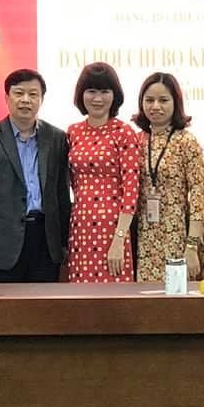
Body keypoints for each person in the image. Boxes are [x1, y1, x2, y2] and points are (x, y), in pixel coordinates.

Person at [0, 69, 71, 283]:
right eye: (19, 93)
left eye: (33, 94)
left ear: (42, 99)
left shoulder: (57, 138)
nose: (25, 100)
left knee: (43, 302)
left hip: (45, 241)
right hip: (2, 245)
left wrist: (63, 243)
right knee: (4, 303)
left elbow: (61, 194)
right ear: (7, 97)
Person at [66, 62, 139, 283]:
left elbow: (131, 191)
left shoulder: (124, 132)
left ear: (114, 95)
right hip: (80, 227)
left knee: (113, 295)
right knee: (81, 294)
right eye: (91, 91)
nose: (97, 98)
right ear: (81, 95)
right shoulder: (73, 132)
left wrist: (119, 239)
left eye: (105, 91)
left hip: (113, 228)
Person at [132, 73, 204, 281]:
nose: (155, 106)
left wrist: (192, 246)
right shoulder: (136, 141)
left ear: (176, 103)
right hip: (143, 236)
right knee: (144, 297)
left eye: (163, 100)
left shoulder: (186, 141)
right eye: (149, 100)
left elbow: (199, 194)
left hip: (176, 234)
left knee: (175, 295)